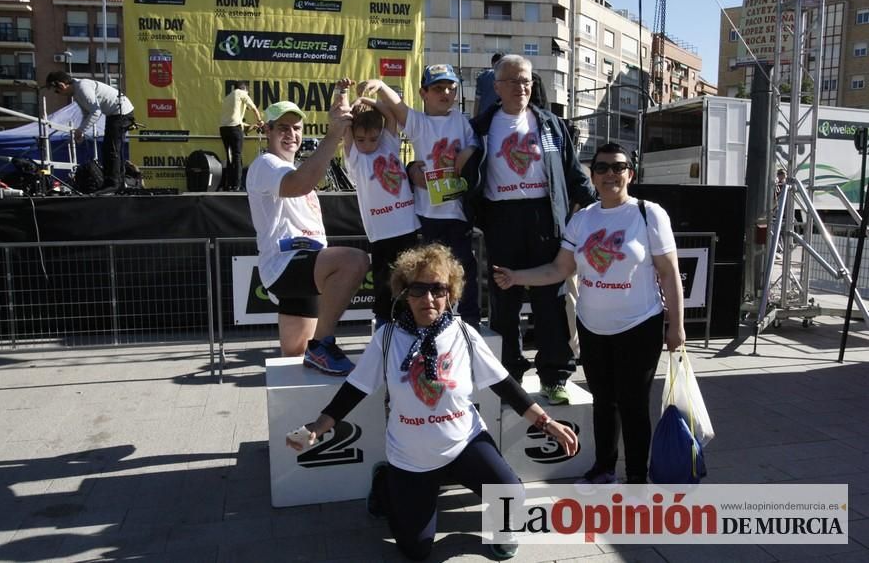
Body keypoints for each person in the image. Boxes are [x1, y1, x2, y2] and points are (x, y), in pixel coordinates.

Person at [288, 243, 578, 561]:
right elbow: (355, 389)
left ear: (450, 293)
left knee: (511, 494)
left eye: (438, 289)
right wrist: (319, 425)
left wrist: (546, 422)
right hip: (411, 456)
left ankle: (498, 524)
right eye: (419, 289)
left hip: (463, 443)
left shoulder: (464, 334)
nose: (429, 299)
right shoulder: (387, 339)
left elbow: (504, 386)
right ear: (404, 293)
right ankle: (386, 482)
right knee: (416, 550)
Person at [493, 142, 685, 484]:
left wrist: (677, 327)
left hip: (640, 324)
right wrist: (517, 277)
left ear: (630, 173)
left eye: (618, 167)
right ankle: (604, 467)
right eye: (602, 168)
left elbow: (669, 273)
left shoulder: (648, 213)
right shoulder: (582, 219)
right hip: (593, 327)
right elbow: (558, 270)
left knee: (634, 404)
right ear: (592, 175)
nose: (610, 174)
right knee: (603, 401)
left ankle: (638, 476)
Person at [463, 54, 596, 404]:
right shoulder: (479, 127)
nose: (522, 87)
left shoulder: (550, 123)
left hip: (544, 217)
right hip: (502, 219)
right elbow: (456, 168)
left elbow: (572, 172)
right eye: (513, 80)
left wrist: (600, 206)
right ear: (497, 87)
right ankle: (509, 376)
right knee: (504, 300)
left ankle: (555, 375)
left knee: (550, 299)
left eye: (526, 80)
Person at [245, 97, 369, 375]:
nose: (291, 134)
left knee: (295, 367)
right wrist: (334, 134)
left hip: (307, 272)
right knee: (354, 261)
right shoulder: (266, 163)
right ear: (267, 131)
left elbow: (303, 182)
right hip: (288, 265)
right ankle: (322, 344)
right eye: (283, 128)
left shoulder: (294, 169)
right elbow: (300, 184)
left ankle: (300, 414)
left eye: (297, 128)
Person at [358, 65, 481, 328]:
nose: (445, 93)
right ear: (423, 93)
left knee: (464, 269)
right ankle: (431, 322)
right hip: (426, 215)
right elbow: (399, 108)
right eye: (438, 88)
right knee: (429, 274)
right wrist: (380, 86)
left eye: (450, 88)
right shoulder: (419, 123)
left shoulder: (460, 119)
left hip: (458, 212)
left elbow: (475, 144)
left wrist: (467, 151)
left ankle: (470, 323)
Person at [338, 78, 419, 327]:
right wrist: (348, 98)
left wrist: (367, 100)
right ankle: (384, 326)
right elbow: (344, 124)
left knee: (411, 278)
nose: (367, 144)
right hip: (382, 232)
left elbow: (390, 116)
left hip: (408, 225)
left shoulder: (388, 145)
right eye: (361, 139)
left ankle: (412, 323)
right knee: (385, 282)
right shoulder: (355, 159)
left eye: (372, 139)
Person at [46, 70, 134, 191]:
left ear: (62, 85)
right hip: (115, 113)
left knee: (111, 149)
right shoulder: (77, 92)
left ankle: (113, 184)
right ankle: (118, 182)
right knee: (112, 148)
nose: (57, 94)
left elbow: (96, 112)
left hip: (121, 112)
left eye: (56, 91)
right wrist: (81, 130)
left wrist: (81, 130)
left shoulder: (82, 88)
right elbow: (86, 113)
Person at [219, 81, 263, 191]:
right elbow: (254, 109)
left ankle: (228, 185)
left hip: (224, 129)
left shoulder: (228, 98)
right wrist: (260, 121)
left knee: (230, 157)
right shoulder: (242, 93)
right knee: (237, 156)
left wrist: (253, 126)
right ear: (245, 89)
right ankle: (237, 185)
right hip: (234, 129)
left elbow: (237, 123)